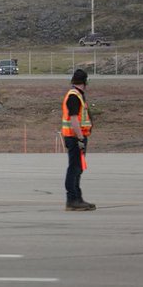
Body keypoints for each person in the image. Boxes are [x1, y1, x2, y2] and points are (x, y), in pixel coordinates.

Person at [61, 68, 95, 211]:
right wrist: (80, 137)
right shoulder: (74, 96)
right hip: (75, 138)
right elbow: (74, 119)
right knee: (74, 168)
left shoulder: (78, 95)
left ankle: (77, 198)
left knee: (78, 168)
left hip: (78, 138)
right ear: (85, 81)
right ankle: (72, 199)